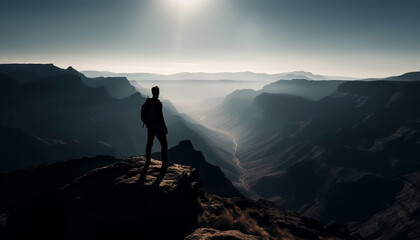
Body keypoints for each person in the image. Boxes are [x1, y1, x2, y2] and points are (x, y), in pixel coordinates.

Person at [141, 86, 172, 165]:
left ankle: (147, 159)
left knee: (150, 143)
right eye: (158, 92)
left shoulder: (148, 102)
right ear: (157, 93)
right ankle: (165, 161)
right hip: (158, 128)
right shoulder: (158, 103)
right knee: (164, 143)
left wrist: (147, 123)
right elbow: (161, 117)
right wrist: (164, 127)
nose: (158, 94)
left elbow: (143, 114)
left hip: (150, 127)